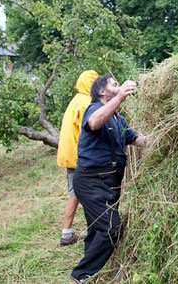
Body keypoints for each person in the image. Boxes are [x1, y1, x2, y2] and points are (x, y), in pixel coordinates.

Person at [70, 75, 147, 283]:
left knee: (96, 229)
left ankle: (90, 275)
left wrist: (163, 136)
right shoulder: (94, 109)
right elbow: (94, 123)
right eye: (114, 84)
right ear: (103, 92)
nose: (119, 86)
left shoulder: (117, 118)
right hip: (90, 181)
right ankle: (81, 275)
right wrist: (121, 97)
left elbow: (136, 139)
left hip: (109, 182)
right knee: (111, 228)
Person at [56, 70, 99, 246]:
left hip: (69, 155)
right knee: (83, 194)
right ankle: (94, 231)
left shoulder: (76, 100)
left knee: (74, 194)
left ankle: (67, 233)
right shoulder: (87, 103)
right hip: (79, 156)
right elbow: (90, 131)